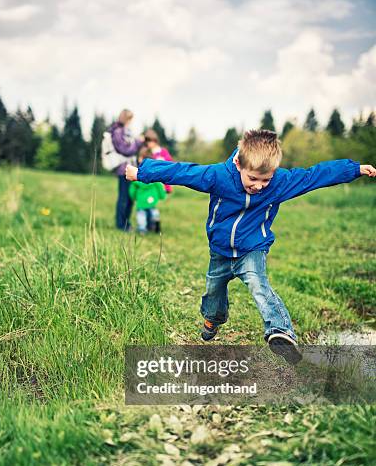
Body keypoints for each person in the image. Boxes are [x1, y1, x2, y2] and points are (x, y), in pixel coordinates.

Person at [125, 129, 376, 364]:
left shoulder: (280, 182)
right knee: (214, 290)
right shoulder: (219, 176)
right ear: (238, 164)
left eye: (265, 180)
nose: (258, 186)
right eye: (253, 178)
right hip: (220, 251)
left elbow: (315, 175)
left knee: (258, 283)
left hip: (252, 249)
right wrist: (142, 173)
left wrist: (354, 169)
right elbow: (182, 172)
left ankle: (281, 332)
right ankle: (213, 319)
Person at [107, 109, 143, 231]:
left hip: (130, 168)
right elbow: (125, 150)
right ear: (126, 119)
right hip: (124, 169)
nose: (131, 122)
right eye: (130, 119)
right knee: (124, 197)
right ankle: (121, 224)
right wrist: (137, 143)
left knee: (130, 197)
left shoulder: (126, 131)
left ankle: (126, 223)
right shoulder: (118, 131)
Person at [129, 146, 166, 234]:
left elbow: (133, 188)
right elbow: (159, 186)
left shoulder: (137, 174)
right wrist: (162, 195)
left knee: (141, 214)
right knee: (152, 210)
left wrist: (133, 196)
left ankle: (142, 229)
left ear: (140, 159)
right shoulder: (154, 173)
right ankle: (155, 219)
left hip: (141, 199)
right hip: (152, 198)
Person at [144, 129, 173, 193]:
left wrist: (161, 160)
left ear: (155, 141)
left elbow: (169, 162)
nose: (148, 144)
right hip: (152, 181)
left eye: (150, 141)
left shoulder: (162, 151)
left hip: (163, 179)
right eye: (147, 142)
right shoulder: (146, 153)